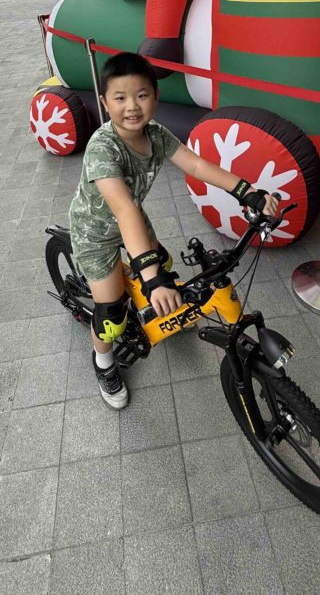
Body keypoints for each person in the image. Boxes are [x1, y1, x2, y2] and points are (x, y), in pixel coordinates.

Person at [69, 51, 279, 409]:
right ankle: (103, 363)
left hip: (132, 219)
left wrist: (247, 191)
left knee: (162, 263)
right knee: (112, 318)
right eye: (119, 98)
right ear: (104, 103)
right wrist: (150, 277)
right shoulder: (103, 148)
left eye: (141, 95)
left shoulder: (156, 135)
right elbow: (121, 209)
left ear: (156, 96)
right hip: (96, 233)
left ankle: (154, 291)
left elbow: (195, 163)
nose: (132, 106)